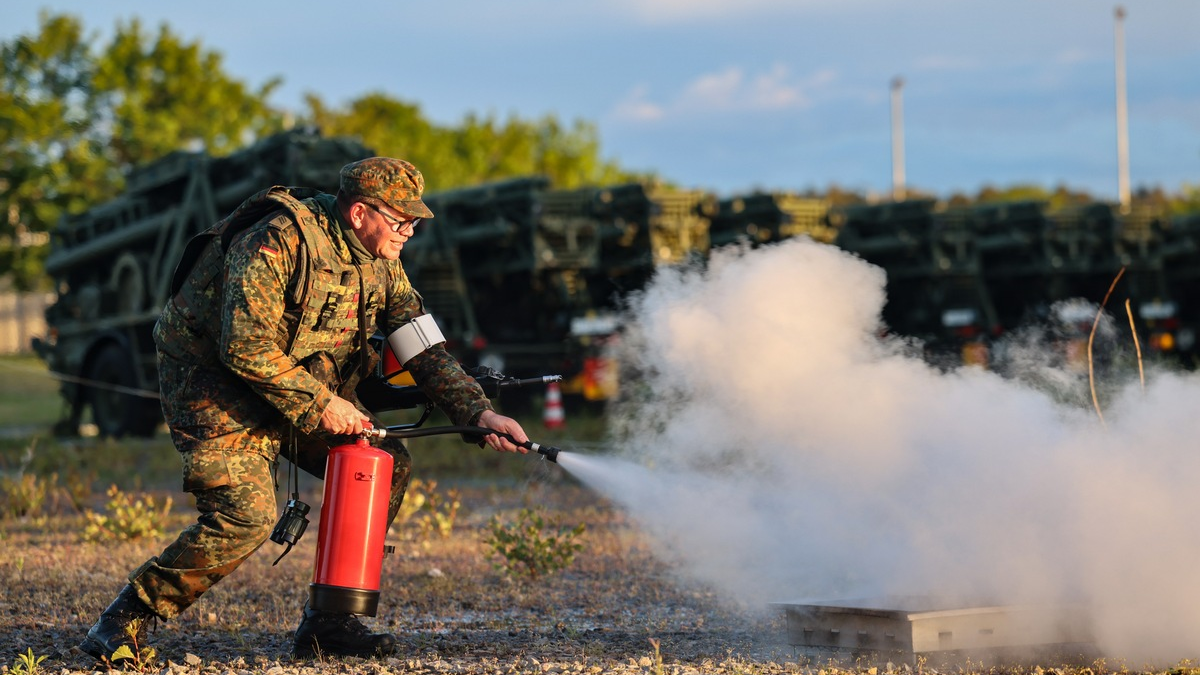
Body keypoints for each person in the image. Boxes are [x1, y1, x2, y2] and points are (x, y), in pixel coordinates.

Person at [80, 157, 530, 660]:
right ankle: (125, 618)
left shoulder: (383, 260)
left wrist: (479, 414)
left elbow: (421, 349)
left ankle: (329, 622)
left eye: (414, 221)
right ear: (359, 213)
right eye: (401, 220)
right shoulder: (277, 241)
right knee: (245, 516)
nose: (410, 230)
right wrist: (322, 404)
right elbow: (243, 346)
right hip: (213, 385)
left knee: (382, 466)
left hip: (296, 382)